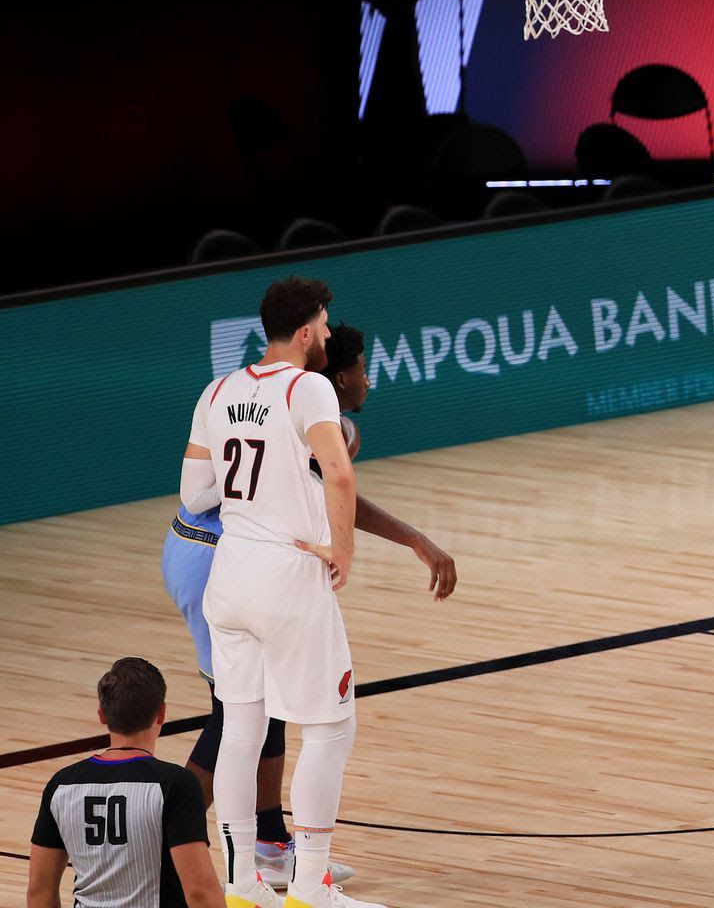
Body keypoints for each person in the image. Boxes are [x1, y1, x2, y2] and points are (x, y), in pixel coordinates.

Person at [160, 324, 454, 891]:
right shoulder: (315, 415)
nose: (369, 378)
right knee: (241, 715)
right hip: (223, 553)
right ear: (337, 376)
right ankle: (166, 838)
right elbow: (335, 487)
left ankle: (264, 848)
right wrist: (412, 539)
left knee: (254, 710)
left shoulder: (255, 396)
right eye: (363, 369)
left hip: (198, 548)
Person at [180, 276, 383, 908]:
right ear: (303, 332)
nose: (328, 334)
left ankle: (241, 885)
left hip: (230, 577)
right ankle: (310, 887)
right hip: (288, 576)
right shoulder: (309, 386)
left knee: (240, 728)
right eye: (324, 325)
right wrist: (342, 549)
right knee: (329, 729)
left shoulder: (218, 389)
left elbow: (194, 495)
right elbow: (340, 473)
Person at [28, 658, 225, 908]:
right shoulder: (175, 784)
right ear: (161, 713)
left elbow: (39, 892)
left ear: (102, 715)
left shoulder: (61, 784)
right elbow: (200, 892)